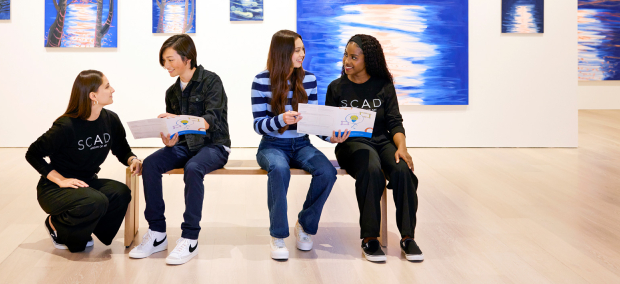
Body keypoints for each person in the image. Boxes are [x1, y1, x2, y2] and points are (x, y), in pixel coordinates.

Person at [129, 34, 231, 265]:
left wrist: (178, 119)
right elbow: (176, 133)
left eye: (170, 60)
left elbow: (210, 120)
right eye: (164, 61)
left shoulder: (211, 81)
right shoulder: (172, 92)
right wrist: (170, 139)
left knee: (193, 168)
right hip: (185, 146)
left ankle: (190, 238)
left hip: (214, 146)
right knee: (152, 164)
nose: (166, 66)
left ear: (188, 58)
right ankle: (157, 234)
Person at [325, 34, 422, 262]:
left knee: (402, 170)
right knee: (371, 167)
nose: (346, 61)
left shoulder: (384, 86)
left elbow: (395, 122)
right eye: (345, 55)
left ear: (368, 60)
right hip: (351, 145)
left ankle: (408, 237)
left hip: (382, 140)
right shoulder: (336, 88)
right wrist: (332, 135)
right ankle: (370, 238)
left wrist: (402, 148)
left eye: (353, 57)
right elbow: (328, 128)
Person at [26, 70, 142, 253]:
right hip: (55, 189)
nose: (113, 89)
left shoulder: (110, 119)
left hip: (86, 182)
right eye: (107, 86)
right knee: (95, 201)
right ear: (93, 95)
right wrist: (60, 180)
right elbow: (32, 153)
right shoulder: (65, 126)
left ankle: (85, 227)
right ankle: (55, 223)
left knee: (120, 193)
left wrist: (132, 160)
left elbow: (122, 149)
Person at [251, 29, 338, 260]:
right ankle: (278, 235)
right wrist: (281, 119)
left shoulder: (309, 79)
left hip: (301, 144)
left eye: (302, 49)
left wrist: (332, 136)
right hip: (271, 145)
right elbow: (258, 125)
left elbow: (314, 122)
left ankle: (304, 225)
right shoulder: (261, 80)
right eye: (296, 50)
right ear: (283, 52)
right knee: (279, 169)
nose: (302, 54)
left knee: (327, 171)